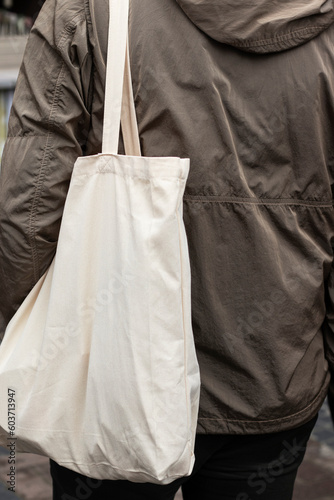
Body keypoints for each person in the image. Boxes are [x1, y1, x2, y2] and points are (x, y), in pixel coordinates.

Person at [1, 0, 334, 498]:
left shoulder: (88, 10)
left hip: (113, 382)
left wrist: (30, 343)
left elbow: (28, 207)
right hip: (273, 378)